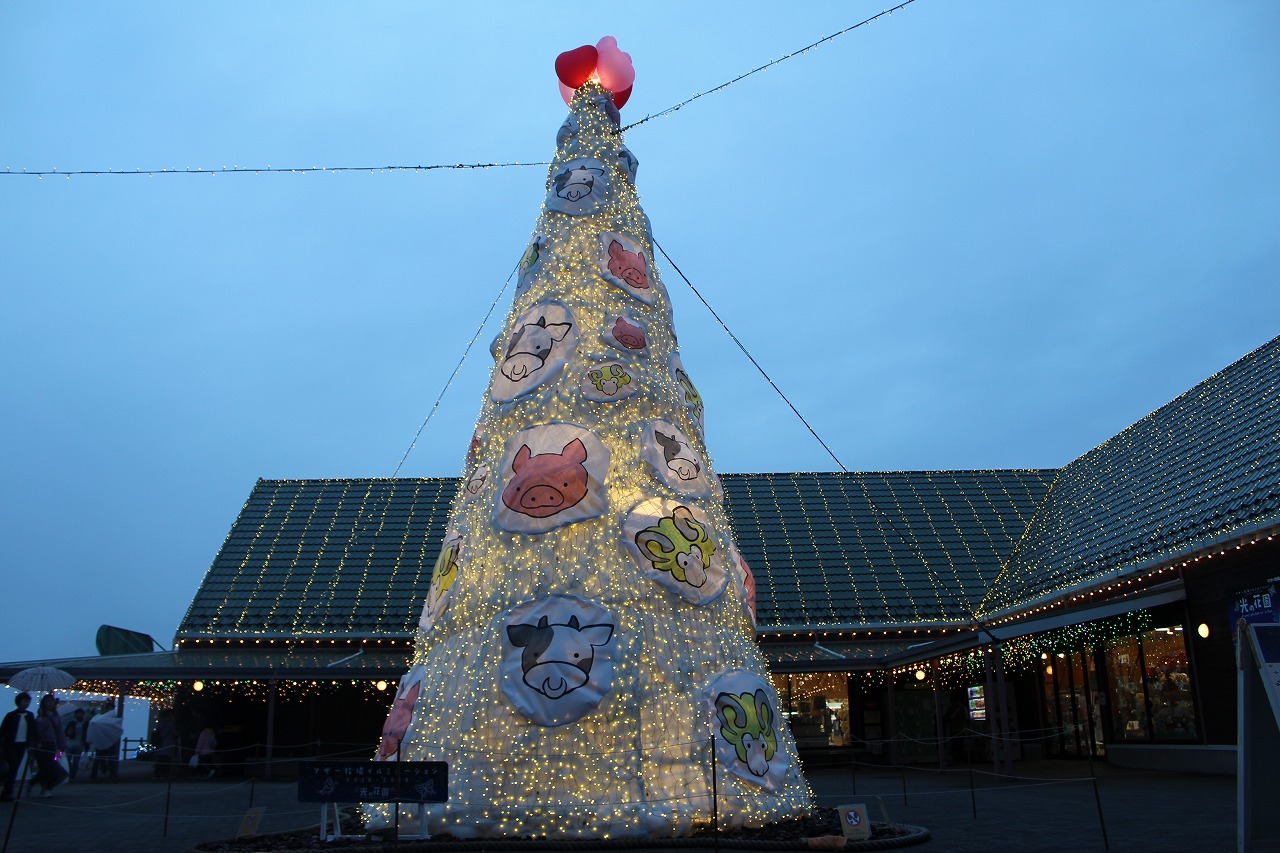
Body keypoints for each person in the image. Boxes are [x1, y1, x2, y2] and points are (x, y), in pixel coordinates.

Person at [1, 693, 37, 801]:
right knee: (12, 767)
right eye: (24, 701)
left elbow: (32, 730)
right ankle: (8, 792)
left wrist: (33, 741)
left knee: (15, 768)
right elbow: (3, 730)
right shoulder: (11, 715)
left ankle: (7, 792)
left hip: (22, 745)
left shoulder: (30, 716)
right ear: (19, 702)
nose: (26, 704)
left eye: (28, 701)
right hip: (11, 745)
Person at [32, 694, 67, 797]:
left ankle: (35, 783)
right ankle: (45, 788)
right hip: (42, 745)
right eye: (47, 701)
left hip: (53, 745)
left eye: (51, 701)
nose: (50, 703)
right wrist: (40, 718)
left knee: (54, 768)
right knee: (45, 768)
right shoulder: (41, 716)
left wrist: (62, 745)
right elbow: (38, 730)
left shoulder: (56, 716)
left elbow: (59, 731)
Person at [87, 700, 123, 780]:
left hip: (110, 741)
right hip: (102, 740)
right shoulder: (102, 718)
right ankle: (96, 774)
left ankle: (110, 774)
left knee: (108, 758)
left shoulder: (101, 718)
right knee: (100, 758)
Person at [64, 708, 90, 781]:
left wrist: (86, 745)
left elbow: (88, 734)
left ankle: (72, 775)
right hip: (71, 743)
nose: (79, 715)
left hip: (80, 744)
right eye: (78, 714)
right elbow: (66, 732)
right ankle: (68, 774)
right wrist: (69, 733)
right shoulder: (72, 723)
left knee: (76, 761)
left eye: (80, 714)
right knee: (68, 760)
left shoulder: (86, 723)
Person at [151, 709, 178, 778]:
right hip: (168, 742)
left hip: (161, 742)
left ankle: (157, 772)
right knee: (166, 759)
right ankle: (164, 773)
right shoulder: (170, 722)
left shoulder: (160, 722)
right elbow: (173, 732)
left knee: (160, 759)